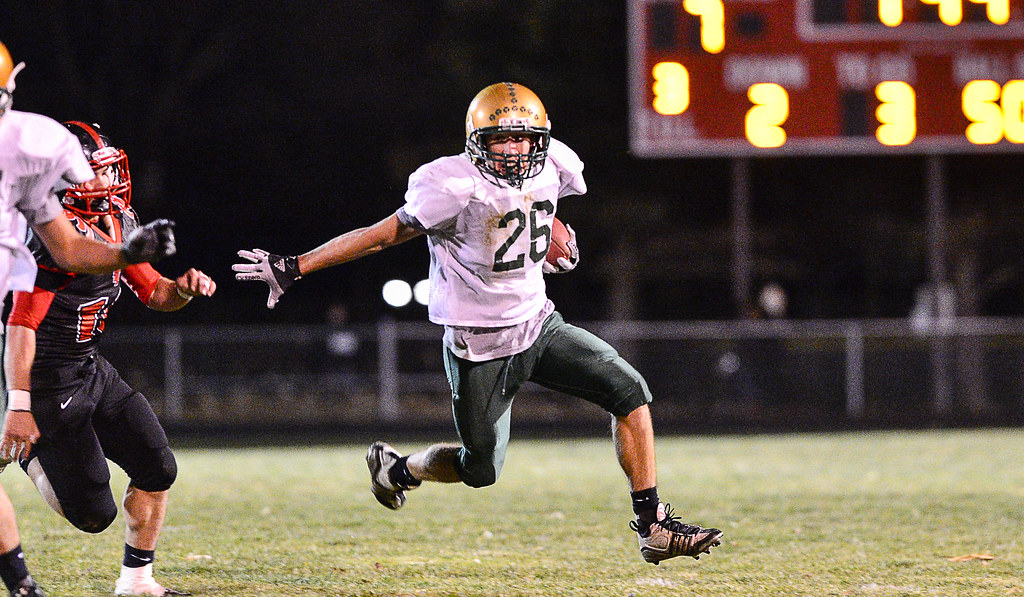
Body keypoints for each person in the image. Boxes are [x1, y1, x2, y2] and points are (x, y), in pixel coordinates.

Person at [233, 82, 723, 565]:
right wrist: (297, 265)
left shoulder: (554, 163)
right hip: (478, 348)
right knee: (480, 468)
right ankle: (398, 468)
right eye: (499, 139)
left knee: (628, 390)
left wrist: (555, 234)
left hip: (538, 325)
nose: (513, 150)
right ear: (476, 142)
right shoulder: (452, 185)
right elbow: (380, 237)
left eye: (522, 138)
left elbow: (540, 204)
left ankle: (652, 525)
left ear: (539, 138)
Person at [5, 121, 213, 597]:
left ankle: (137, 582)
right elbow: (21, 326)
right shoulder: (44, 236)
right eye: (91, 172)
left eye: (106, 169)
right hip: (46, 383)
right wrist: (19, 402)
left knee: (158, 466)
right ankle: (28, 450)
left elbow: (154, 290)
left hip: (91, 368)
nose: (106, 181)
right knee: (94, 515)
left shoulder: (115, 218)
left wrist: (182, 289)